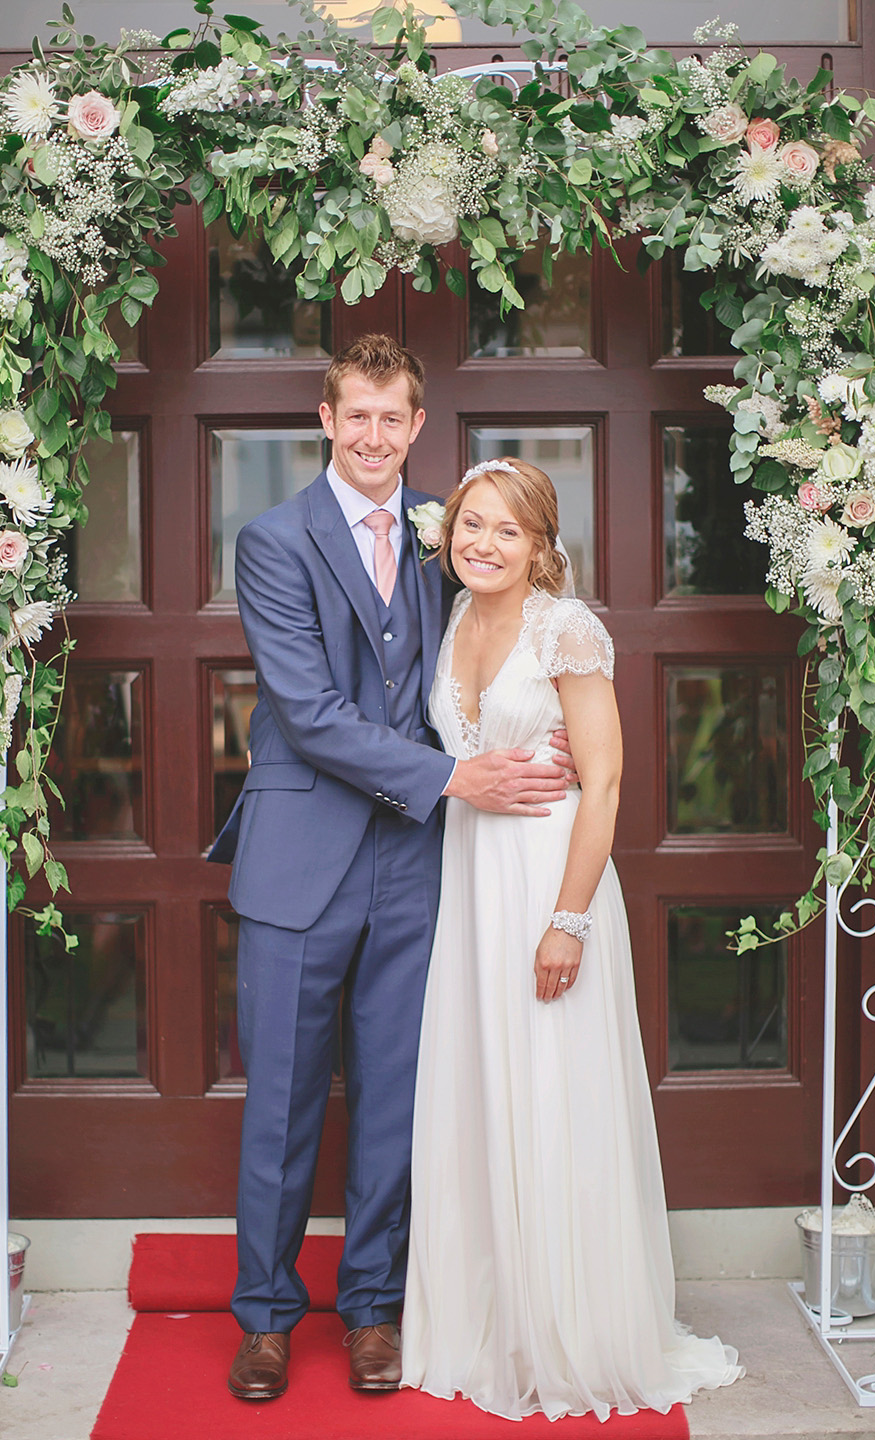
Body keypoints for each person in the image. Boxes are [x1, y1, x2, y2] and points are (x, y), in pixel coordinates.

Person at [208, 336, 575, 1401]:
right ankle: (268, 1318)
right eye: (355, 415)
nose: (373, 436)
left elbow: (486, 644)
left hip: (417, 864)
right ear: (325, 420)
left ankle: (372, 1307)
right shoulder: (272, 541)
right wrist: (458, 778)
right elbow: (310, 713)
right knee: (279, 1101)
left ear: (418, 429)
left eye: (392, 419)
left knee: (396, 1097)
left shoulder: (439, 538)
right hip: (300, 856)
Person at [400, 457, 743, 1421]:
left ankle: (570, 1330)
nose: (485, 543)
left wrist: (567, 922)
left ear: (543, 545)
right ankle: (493, 1321)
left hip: (550, 880)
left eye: (509, 530)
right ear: (450, 532)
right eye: (472, 524)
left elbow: (606, 784)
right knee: (478, 1092)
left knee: (552, 1092)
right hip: (468, 884)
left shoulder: (567, 629)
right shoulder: (456, 619)